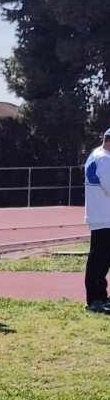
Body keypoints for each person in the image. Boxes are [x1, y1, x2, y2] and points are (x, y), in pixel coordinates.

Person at [83, 127, 110, 313]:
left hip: (100, 215)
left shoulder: (95, 155)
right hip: (104, 216)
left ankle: (101, 296)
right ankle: (94, 299)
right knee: (99, 260)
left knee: (102, 260)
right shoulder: (105, 159)